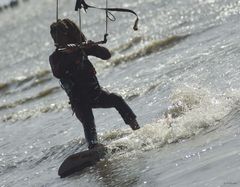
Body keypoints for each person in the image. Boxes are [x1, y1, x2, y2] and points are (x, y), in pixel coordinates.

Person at [49, 18, 140, 149]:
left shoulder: (81, 48)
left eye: (62, 36)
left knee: (117, 99)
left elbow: (107, 55)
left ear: (68, 35)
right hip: (78, 100)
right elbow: (57, 72)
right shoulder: (55, 57)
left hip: (95, 93)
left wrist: (93, 47)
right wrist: (71, 54)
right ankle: (93, 147)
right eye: (55, 38)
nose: (58, 41)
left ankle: (136, 129)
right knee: (88, 120)